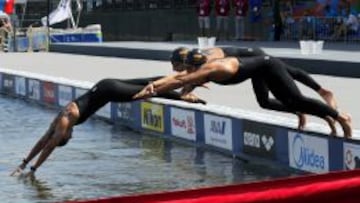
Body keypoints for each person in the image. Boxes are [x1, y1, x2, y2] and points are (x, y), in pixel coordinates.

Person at [10, 77, 206, 176]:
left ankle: (185, 95)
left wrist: (34, 169)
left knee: (147, 91)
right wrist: (24, 163)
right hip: (105, 86)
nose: (71, 137)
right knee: (149, 81)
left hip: (110, 91)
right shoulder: (58, 122)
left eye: (68, 139)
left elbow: (48, 146)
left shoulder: (63, 123)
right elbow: (42, 141)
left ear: (63, 136)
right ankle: (192, 77)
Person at [134, 49, 352, 138]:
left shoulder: (212, 67)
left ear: (193, 66)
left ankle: (340, 117)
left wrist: (151, 89)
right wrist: (154, 86)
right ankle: (323, 115)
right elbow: (180, 80)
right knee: (273, 102)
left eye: (187, 68)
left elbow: (181, 80)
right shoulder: (202, 65)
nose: (184, 71)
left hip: (267, 65)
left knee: (295, 99)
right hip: (257, 68)